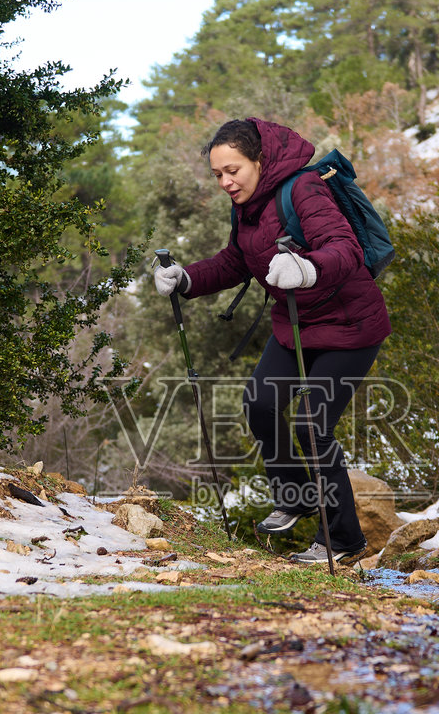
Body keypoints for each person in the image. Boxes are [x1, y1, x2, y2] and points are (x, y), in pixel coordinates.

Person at [153, 118, 391, 564]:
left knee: (310, 424)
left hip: (351, 327)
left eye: (233, 170)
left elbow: (343, 247)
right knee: (259, 404)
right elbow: (235, 262)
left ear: (260, 160)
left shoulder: (303, 189)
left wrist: (308, 267)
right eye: (218, 174)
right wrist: (186, 278)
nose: (226, 182)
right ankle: (298, 495)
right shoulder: (245, 206)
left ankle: (343, 541)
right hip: (295, 325)